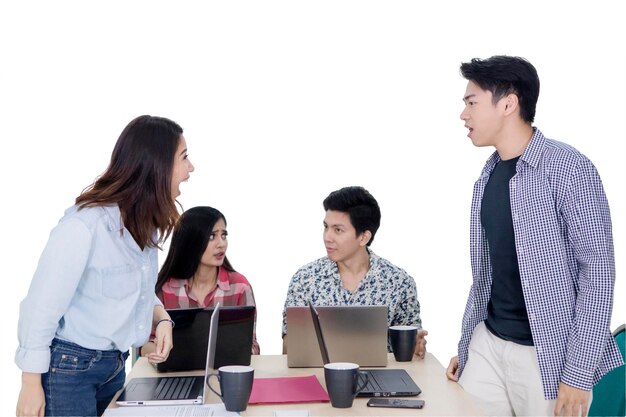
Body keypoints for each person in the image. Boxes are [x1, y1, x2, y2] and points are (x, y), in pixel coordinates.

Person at [446, 55, 623, 416]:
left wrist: (577, 374)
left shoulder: (569, 168)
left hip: (549, 355)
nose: (463, 114)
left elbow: (599, 275)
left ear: (508, 103)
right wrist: (467, 348)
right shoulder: (488, 175)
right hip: (489, 345)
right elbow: (487, 277)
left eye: (471, 102)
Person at [15, 115, 194, 417]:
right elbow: (40, 307)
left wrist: (162, 317)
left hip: (114, 366)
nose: (191, 169)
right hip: (69, 371)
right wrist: (30, 382)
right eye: (184, 158)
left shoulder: (144, 226)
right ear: (157, 165)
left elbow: (134, 290)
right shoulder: (84, 226)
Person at [282, 186, 427, 357]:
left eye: (338, 230)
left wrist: (416, 346)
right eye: (326, 227)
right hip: (319, 375)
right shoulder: (305, 279)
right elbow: (288, 351)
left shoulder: (399, 282)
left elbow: (411, 347)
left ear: (364, 237)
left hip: (382, 377)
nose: (327, 237)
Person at [141, 206, 260, 355]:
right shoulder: (164, 288)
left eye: (224, 235)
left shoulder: (240, 287)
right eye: (212, 236)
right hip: (174, 374)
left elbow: (252, 346)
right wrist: (163, 353)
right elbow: (146, 344)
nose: (221, 243)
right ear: (191, 241)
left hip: (223, 374)